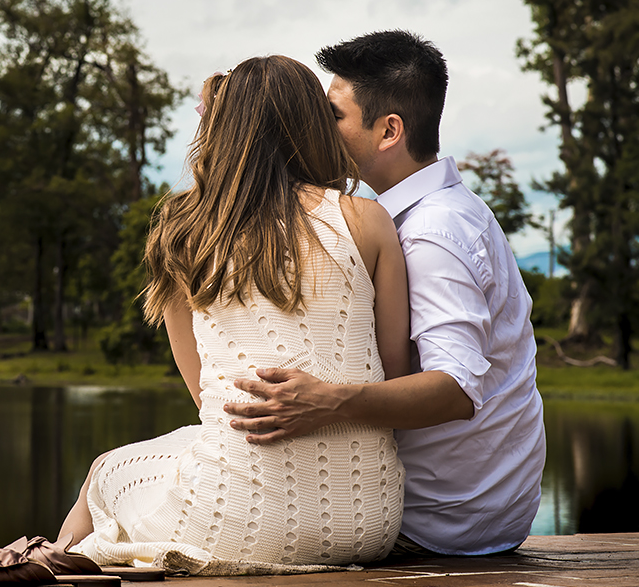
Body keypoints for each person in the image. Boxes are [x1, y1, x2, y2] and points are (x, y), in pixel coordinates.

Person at [59, 55, 412, 574]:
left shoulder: (184, 230)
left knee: (104, 471)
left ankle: (55, 559)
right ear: (312, 125)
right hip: (368, 524)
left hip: (232, 521)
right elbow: (396, 379)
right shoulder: (369, 219)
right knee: (178, 449)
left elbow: (206, 396)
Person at [224, 30, 545, 557]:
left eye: (333, 116)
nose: (317, 129)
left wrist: (327, 401)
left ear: (389, 130)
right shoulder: (439, 212)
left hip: (438, 521)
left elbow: (456, 389)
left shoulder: (431, 234)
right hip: (477, 510)